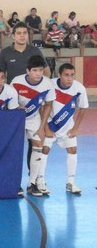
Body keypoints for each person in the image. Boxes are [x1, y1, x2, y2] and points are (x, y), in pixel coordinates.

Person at [11, 55, 55, 197]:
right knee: (15, 149)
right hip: (17, 118)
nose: (38, 73)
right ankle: (14, 183)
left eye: (41, 70)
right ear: (28, 71)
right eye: (35, 70)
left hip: (34, 118)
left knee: (38, 145)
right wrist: (17, 108)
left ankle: (32, 183)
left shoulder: (47, 84)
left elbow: (48, 105)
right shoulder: (16, 82)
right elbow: (9, 102)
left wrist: (42, 127)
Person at [41, 63, 89, 195]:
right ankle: (40, 181)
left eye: (72, 75)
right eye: (66, 75)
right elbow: (42, 106)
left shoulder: (79, 88)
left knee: (72, 150)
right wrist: (45, 127)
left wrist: (75, 129)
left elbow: (83, 108)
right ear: (59, 75)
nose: (69, 78)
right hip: (50, 125)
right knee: (44, 150)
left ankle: (71, 182)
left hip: (67, 127)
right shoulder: (50, 85)